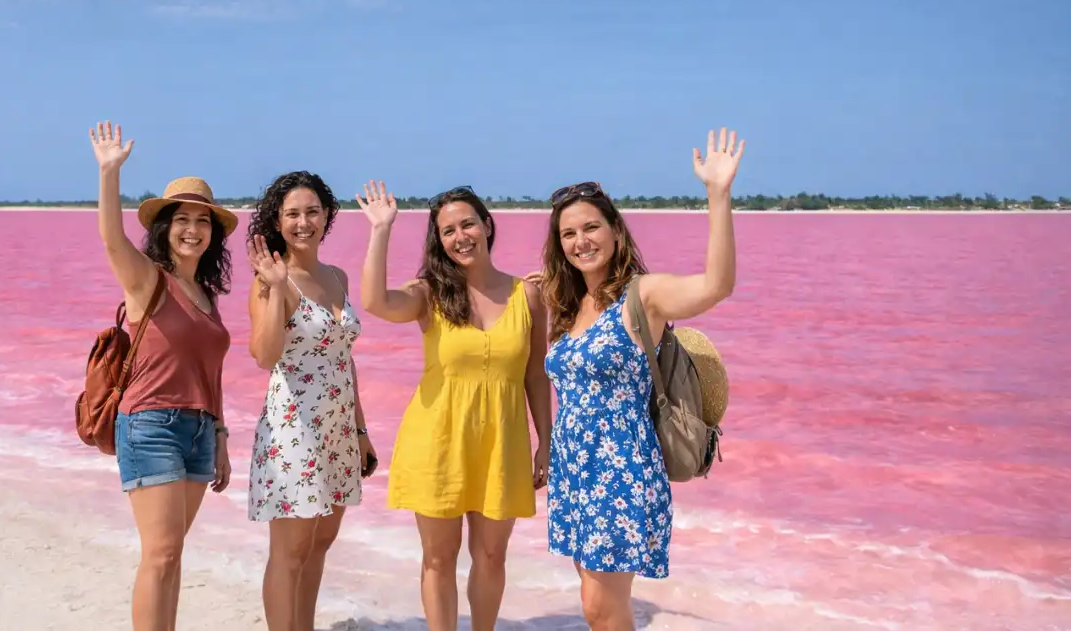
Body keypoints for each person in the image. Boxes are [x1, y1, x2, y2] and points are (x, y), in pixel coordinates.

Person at [536, 127, 743, 631]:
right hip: (574, 468)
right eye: (568, 234)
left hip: (620, 467)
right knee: (594, 603)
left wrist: (718, 195)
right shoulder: (567, 304)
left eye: (590, 228)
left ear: (615, 230)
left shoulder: (642, 296)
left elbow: (717, 286)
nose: (580, 241)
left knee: (602, 608)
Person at [355, 181, 552, 631]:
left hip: (503, 445)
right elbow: (375, 302)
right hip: (438, 441)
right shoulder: (430, 293)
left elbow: (536, 375)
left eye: (468, 224)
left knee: (490, 556)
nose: (460, 236)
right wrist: (381, 230)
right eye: (448, 231)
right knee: (438, 558)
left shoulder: (529, 295)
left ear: (487, 225)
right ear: (438, 241)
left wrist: (546, 442)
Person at [88, 121, 237, 631]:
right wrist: (110, 173)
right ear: (164, 227)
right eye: (182, 219)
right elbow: (111, 239)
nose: (193, 229)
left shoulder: (207, 296)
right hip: (149, 424)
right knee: (161, 554)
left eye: (203, 221)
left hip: (198, 432)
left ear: (213, 233)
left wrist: (219, 436)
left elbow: (210, 372)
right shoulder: (147, 279)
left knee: (173, 557)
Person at [244, 171, 377, 631]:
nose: (304, 222)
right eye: (293, 214)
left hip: (338, 429)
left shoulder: (337, 276)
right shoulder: (269, 279)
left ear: (327, 216)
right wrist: (277, 286)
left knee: (320, 543)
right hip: (292, 429)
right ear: (277, 222)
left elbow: (344, 360)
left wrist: (360, 432)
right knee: (290, 550)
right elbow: (264, 356)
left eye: (312, 211)